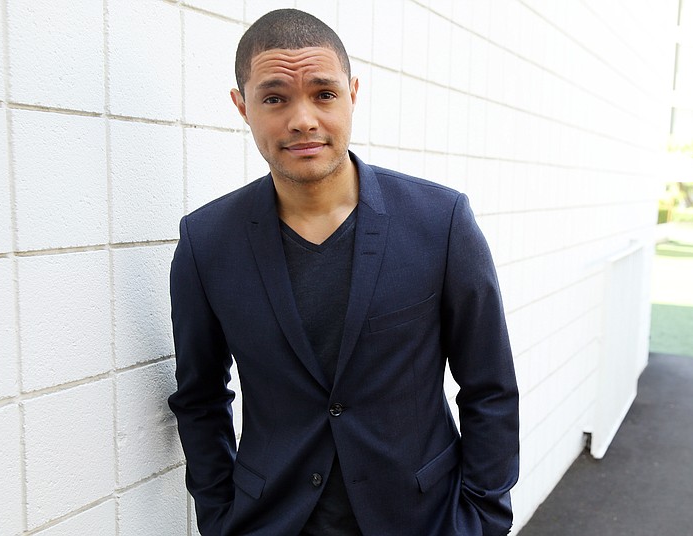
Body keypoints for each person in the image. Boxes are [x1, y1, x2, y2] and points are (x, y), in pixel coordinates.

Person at [168, 8, 519, 536]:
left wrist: (484, 520)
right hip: (273, 521)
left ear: (353, 93)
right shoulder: (207, 242)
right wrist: (220, 519)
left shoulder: (440, 221)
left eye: (324, 94)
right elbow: (200, 399)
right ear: (242, 106)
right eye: (275, 98)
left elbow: (489, 386)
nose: (303, 119)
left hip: (422, 520)